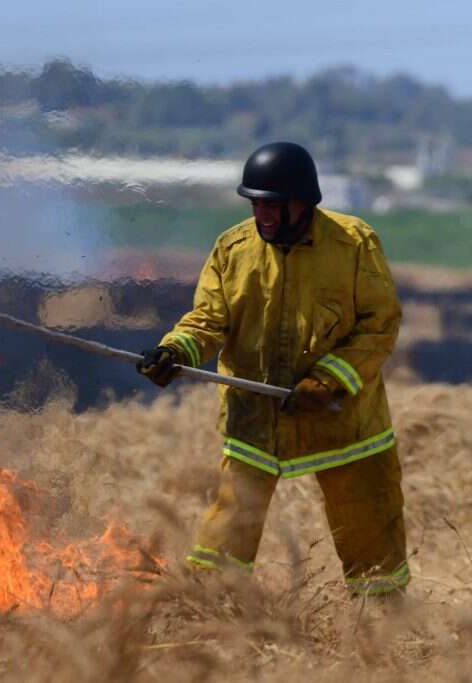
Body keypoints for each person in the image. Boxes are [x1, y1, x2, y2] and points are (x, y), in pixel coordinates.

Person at [137, 141, 408, 596]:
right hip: (255, 425)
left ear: (303, 203)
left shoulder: (354, 244)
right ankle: (210, 622)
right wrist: (176, 351)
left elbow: (380, 325)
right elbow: (208, 320)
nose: (262, 214)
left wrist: (328, 381)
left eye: (273, 205)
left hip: (346, 430)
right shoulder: (233, 249)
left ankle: (385, 643)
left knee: (375, 553)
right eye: (256, 204)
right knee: (221, 548)